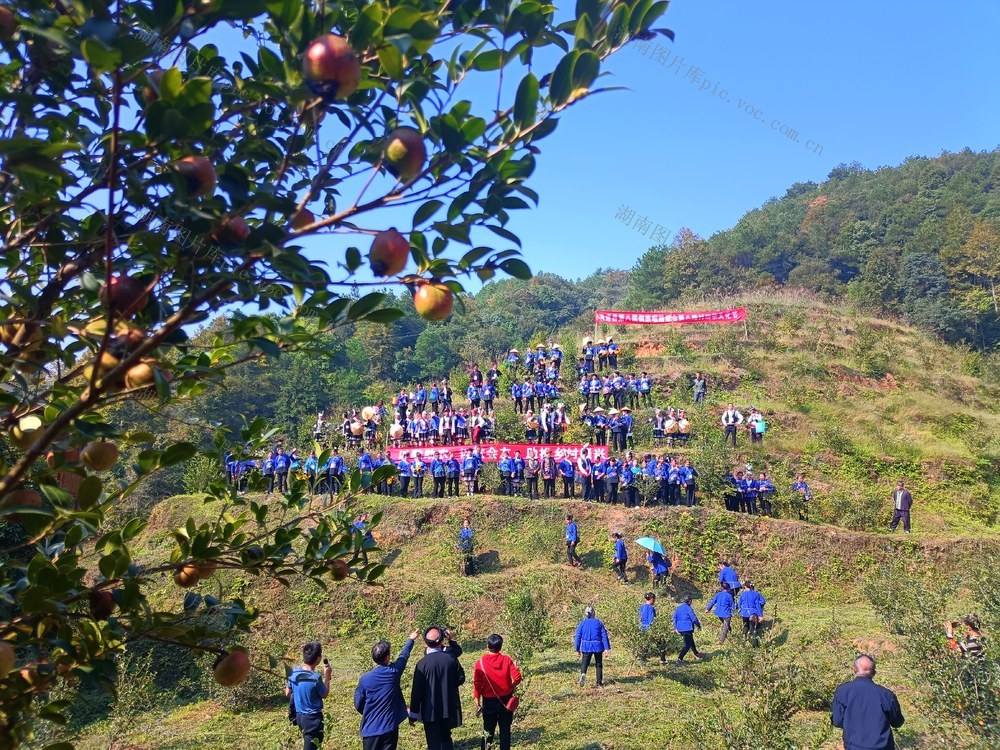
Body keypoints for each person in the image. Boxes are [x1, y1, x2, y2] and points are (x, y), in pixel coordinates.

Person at [355, 630, 420, 750]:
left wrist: (369, 712)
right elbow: (403, 656)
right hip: (389, 727)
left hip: (370, 730)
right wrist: (411, 639)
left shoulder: (364, 679)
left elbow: (358, 704)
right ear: (388, 657)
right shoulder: (393, 672)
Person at [831, 654, 904, 750]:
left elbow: (837, 721)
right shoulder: (886, 695)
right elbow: (897, 722)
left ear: (854, 669)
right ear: (874, 672)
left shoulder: (842, 691)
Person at [409, 627, 465, 750]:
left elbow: (416, 692)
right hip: (448, 707)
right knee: (446, 738)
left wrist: (413, 714)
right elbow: (461, 678)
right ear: (441, 641)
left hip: (430, 711)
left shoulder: (422, 664)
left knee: (433, 741)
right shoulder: (450, 658)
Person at [472, 634, 523, 750]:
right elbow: (517, 677)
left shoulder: (480, 663)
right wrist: (511, 686)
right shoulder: (507, 660)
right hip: (506, 700)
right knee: (505, 731)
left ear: (487, 646)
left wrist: (477, 703)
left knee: (488, 731)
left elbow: (477, 685)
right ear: (501, 646)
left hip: (489, 702)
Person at [286, 640, 332, 750]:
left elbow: (287, 692)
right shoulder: (315, 678)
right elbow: (324, 694)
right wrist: (327, 677)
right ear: (318, 659)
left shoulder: (294, 673)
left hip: (300, 717)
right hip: (313, 720)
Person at [574, 605, 610, 687]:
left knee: (584, 663)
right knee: (598, 664)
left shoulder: (582, 623)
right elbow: (604, 635)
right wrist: (606, 648)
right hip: (598, 646)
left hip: (586, 646)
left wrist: (577, 649)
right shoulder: (598, 622)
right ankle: (599, 682)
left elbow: (578, 636)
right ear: (594, 613)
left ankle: (583, 674)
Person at [639, 592, 667, 665]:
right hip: (650, 628)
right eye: (654, 599)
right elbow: (651, 619)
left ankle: (643, 660)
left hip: (642, 628)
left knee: (645, 644)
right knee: (662, 642)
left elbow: (639, 618)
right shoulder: (651, 608)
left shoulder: (641, 607)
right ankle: (663, 660)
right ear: (651, 599)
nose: (654, 601)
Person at [672, 596, 702, 665]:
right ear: (690, 601)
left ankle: (696, 654)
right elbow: (694, 619)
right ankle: (679, 659)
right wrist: (698, 625)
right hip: (687, 628)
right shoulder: (688, 608)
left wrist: (676, 628)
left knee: (690, 640)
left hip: (679, 628)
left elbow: (675, 618)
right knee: (687, 645)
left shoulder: (678, 608)